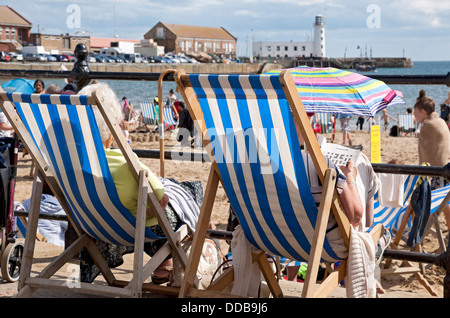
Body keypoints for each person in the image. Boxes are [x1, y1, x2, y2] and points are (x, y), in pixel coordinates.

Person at [76, 83, 204, 284]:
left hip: (96, 226)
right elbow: (160, 200)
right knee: (192, 190)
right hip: (135, 230)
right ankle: (171, 263)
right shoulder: (125, 162)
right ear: (112, 128)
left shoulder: (70, 164)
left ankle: (164, 265)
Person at [414, 96, 450, 228]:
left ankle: (422, 233)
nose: (414, 115)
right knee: (444, 203)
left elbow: (423, 146)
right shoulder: (440, 121)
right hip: (445, 167)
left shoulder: (428, 126)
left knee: (434, 204)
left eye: (415, 112)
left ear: (423, 112)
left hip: (438, 171)